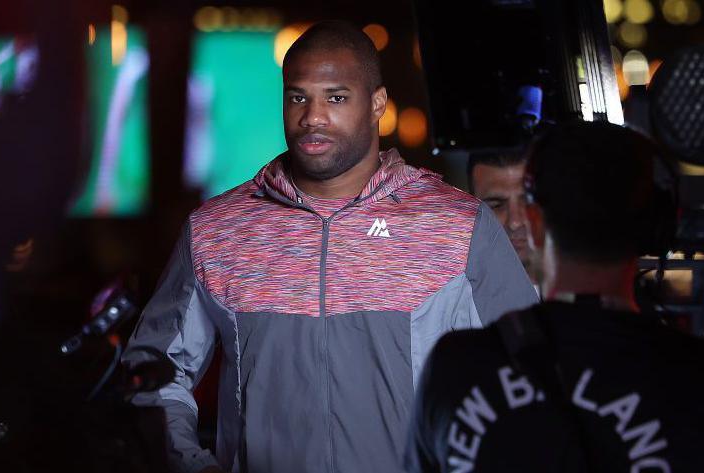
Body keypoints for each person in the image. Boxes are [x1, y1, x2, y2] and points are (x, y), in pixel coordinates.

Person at [122, 21, 538, 473]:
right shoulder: (218, 230)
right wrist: (192, 466)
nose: (312, 117)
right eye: (298, 97)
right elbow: (152, 374)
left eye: (335, 98)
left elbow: (530, 381)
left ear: (377, 103)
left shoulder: (457, 225)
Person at [406, 121, 704, 473]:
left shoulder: (455, 366)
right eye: (496, 203)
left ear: (535, 222)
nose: (512, 223)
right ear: (656, 227)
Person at [468, 146, 544, 286]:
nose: (515, 222)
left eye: (528, 201)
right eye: (496, 206)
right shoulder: (450, 304)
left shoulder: (592, 296)